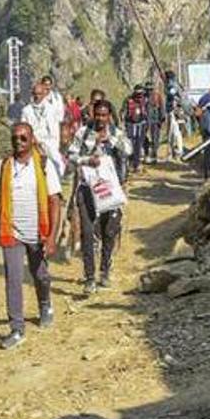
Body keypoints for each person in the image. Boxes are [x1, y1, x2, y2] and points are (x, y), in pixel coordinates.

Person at [0, 122, 62, 350]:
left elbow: (55, 202)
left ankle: (45, 303)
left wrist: (51, 238)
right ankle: (17, 328)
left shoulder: (43, 165)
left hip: (38, 232)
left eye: (23, 138)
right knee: (13, 280)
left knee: (40, 275)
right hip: (12, 233)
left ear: (31, 140)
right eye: (15, 138)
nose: (18, 142)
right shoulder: (3, 167)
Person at [66, 100, 133, 294]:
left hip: (110, 189)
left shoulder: (116, 134)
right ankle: (89, 277)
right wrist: (87, 159)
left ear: (109, 115)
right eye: (98, 115)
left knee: (109, 231)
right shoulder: (83, 133)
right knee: (88, 233)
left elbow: (128, 150)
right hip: (87, 188)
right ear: (93, 115)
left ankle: (105, 270)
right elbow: (70, 156)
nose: (101, 119)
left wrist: (110, 140)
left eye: (105, 115)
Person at [23, 81, 66, 178]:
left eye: (39, 94)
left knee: (57, 162)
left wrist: (55, 144)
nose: (37, 96)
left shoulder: (51, 109)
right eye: (35, 94)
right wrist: (33, 140)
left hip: (49, 141)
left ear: (44, 94)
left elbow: (55, 128)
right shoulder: (26, 110)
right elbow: (24, 128)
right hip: (33, 141)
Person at [122, 85, 149, 174]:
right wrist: (124, 123)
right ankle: (130, 163)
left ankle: (136, 164)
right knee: (130, 144)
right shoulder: (128, 100)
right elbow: (123, 112)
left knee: (138, 144)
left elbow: (147, 113)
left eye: (141, 94)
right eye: (138, 94)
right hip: (130, 125)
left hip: (141, 125)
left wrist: (146, 125)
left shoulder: (145, 100)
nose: (139, 96)